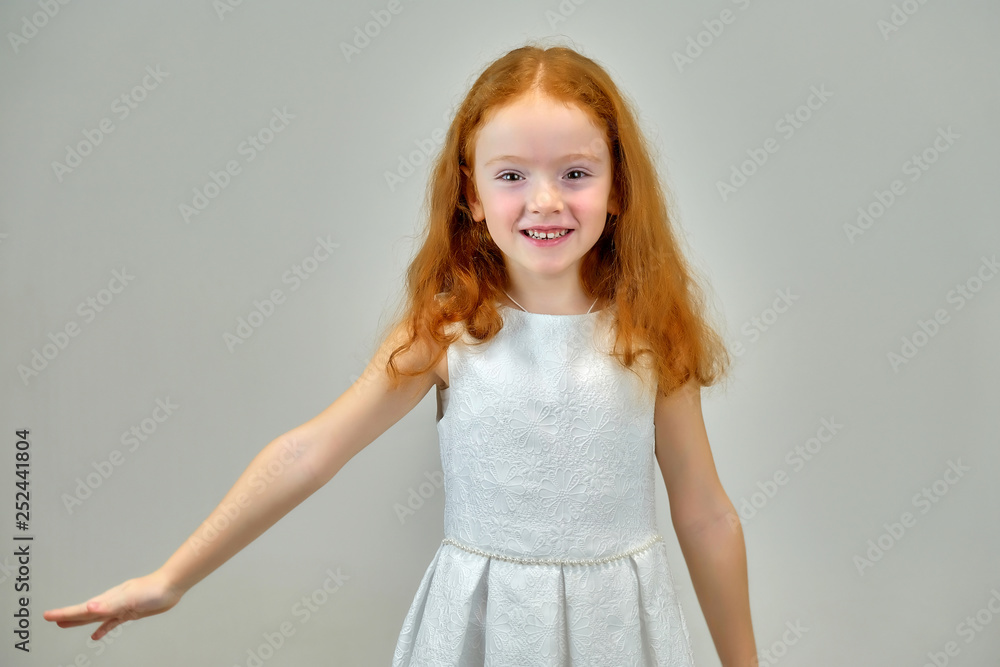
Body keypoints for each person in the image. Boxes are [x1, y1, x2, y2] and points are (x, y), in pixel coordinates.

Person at [44, 41, 757, 665]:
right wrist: (171, 577)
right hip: (481, 628)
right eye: (511, 176)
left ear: (619, 188)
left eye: (576, 173)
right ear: (471, 195)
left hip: (617, 631)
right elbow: (310, 451)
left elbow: (705, 513)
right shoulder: (448, 332)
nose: (546, 200)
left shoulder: (647, 334)